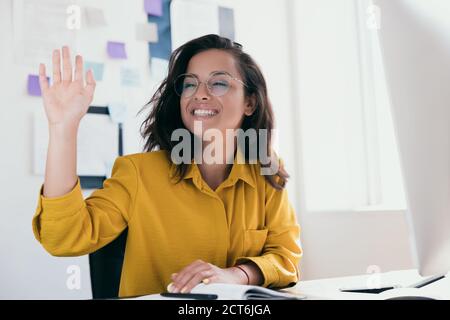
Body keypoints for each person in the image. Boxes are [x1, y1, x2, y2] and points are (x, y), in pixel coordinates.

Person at [32, 34, 302, 298]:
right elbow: (63, 237)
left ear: (250, 102)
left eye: (218, 83)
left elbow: (286, 258)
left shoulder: (265, 172)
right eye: (189, 84)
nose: (200, 94)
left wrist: (237, 274)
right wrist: (63, 128)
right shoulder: (138, 173)